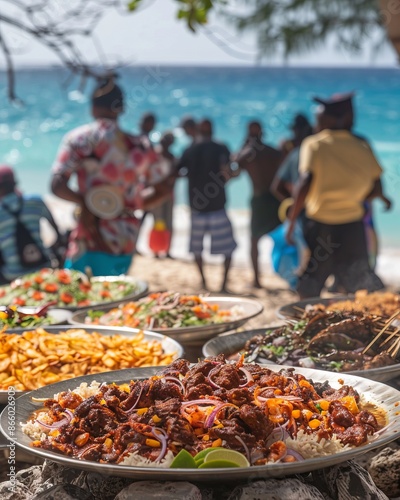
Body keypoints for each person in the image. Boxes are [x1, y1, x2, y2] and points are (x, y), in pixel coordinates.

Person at [51, 77, 172, 276]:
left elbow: (57, 185)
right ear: (121, 109)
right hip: (125, 238)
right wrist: (128, 206)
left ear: (93, 108)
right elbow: (164, 188)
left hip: (88, 235)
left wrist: (86, 203)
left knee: (78, 295)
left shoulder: (79, 139)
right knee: (115, 297)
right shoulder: (140, 146)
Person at [286, 93, 387, 298]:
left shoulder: (314, 144)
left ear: (332, 119)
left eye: (319, 117)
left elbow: (305, 182)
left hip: (322, 226)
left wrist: (292, 220)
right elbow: (377, 187)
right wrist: (355, 198)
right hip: (353, 226)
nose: (316, 120)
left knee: (311, 284)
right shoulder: (362, 144)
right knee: (357, 284)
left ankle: (307, 325)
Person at [178, 119, 236, 291]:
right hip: (218, 205)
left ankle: (204, 282)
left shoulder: (190, 149)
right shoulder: (221, 147)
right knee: (227, 249)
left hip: (196, 207)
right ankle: (223, 284)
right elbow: (229, 172)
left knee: (197, 248)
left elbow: (178, 171)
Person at [233, 121, 282, 288]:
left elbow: (234, 169)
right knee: (286, 237)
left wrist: (242, 145)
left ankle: (256, 280)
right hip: (277, 198)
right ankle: (293, 276)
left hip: (260, 199)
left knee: (254, 241)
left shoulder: (247, 154)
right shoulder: (273, 152)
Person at [0, 165, 63, 284]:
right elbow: (57, 232)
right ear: (15, 183)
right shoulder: (35, 201)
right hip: (44, 268)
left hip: (12, 275)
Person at [149, 131, 177, 258]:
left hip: (168, 194)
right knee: (158, 221)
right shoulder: (156, 156)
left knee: (168, 222)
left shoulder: (171, 157)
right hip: (157, 194)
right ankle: (156, 250)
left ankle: (167, 250)